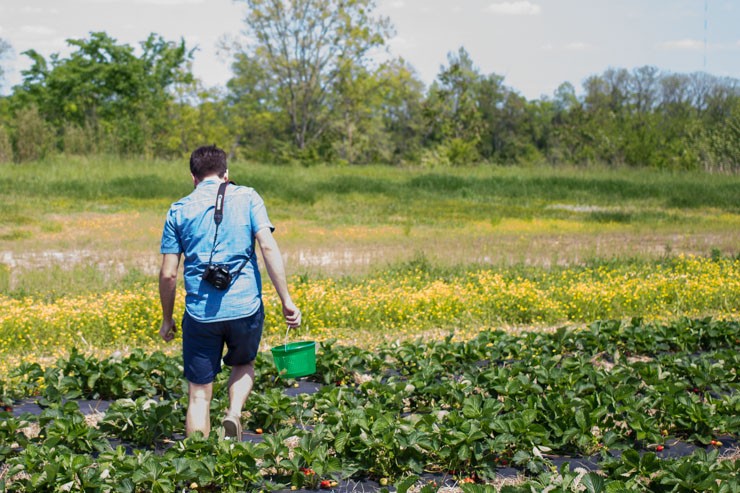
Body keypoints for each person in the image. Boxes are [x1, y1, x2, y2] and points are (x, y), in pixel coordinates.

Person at [158, 145, 301, 439]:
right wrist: (286, 299)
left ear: (193, 177)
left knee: (198, 394)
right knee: (244, 363)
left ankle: (199, 465)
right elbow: (268, 246)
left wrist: (167, 319)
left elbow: (169, 273)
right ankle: (234, 413)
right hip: (245, 307)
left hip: (200, 314)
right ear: (227, 174)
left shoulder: (179, 210)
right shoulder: (248, 197)